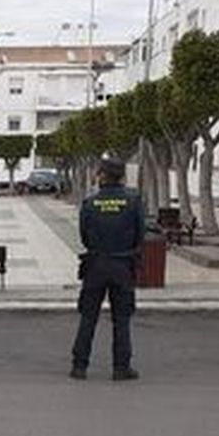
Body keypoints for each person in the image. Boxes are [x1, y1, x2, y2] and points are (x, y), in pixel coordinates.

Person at [70, 157, 146, 381]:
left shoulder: (90, 203)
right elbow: (140, 234)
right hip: (123, 265)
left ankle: (79, 366)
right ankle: (121, 367)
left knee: (88, 317)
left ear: (101, 175)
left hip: (95, 265)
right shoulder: (133, 202)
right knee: (121, 319)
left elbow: (84, 236)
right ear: (122, 177)